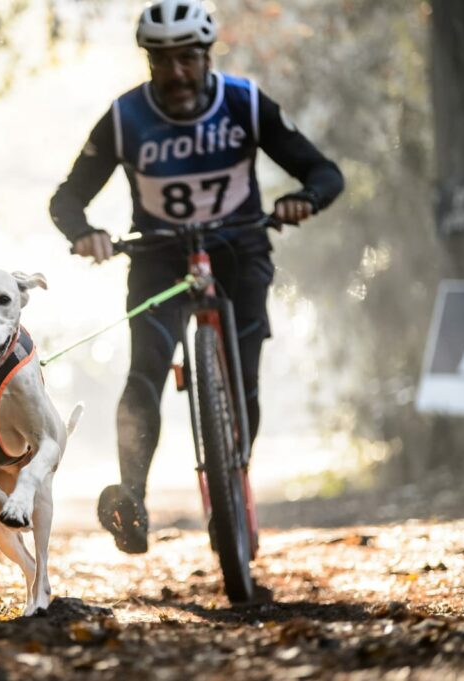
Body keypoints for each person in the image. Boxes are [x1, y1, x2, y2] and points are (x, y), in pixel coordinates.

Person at [49, 0, 344, 553]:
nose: (177, 72)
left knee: (245, 378)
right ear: (148, 63)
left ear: (207, 55)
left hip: (239, 248)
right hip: (158, 257)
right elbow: (67, 197)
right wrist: (84, 233)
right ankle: (132, 500)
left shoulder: (245, 104)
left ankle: (231, 491)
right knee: (146, 371)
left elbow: (324, 172)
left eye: (188, 58)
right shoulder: (125, 117)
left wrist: (304, 200)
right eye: (163, 61)